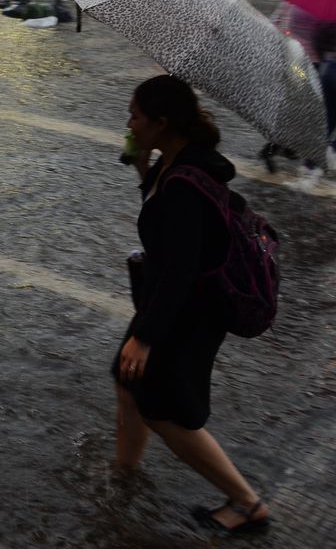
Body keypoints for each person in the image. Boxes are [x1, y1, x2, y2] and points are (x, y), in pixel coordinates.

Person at [114, 75, 270, 535]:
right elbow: (162, 226)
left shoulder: (186, 180)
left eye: (135, 116)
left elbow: (181, 268)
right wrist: (144, 167)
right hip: (170, 303)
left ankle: (246, 503)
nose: (128, 122)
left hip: (188, 312)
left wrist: (144, 338)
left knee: (165, 410)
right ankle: (124, 471)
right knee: (126, 382)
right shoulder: (175, 163)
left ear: (162, 123)